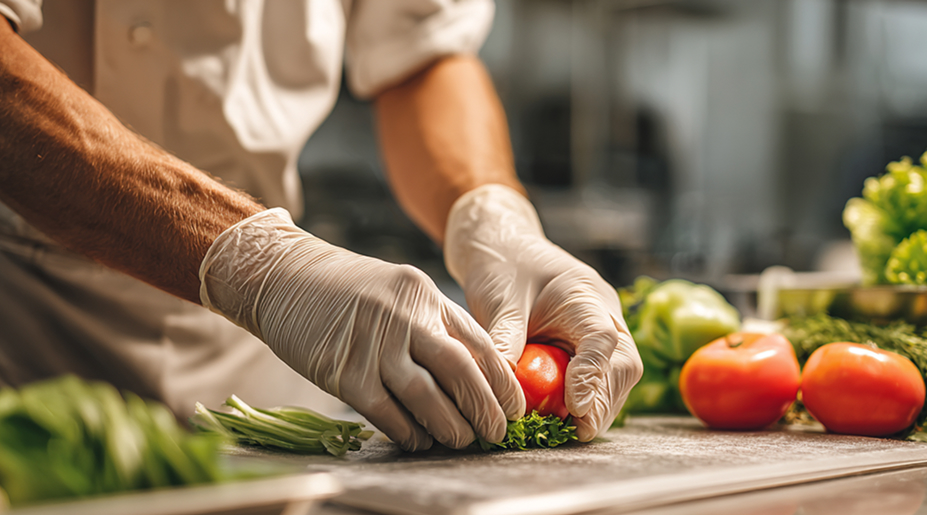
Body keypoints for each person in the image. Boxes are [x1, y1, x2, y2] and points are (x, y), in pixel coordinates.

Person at [0, 0, 642, 451]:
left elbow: (421, 53)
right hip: (24, 330)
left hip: (254, 352)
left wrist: (491, 216)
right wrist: (261, 264)